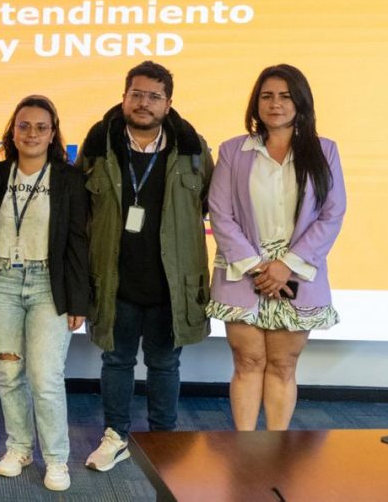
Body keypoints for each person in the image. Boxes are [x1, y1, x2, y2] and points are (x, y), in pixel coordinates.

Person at [78, 61, 213, 472]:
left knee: (165, 365)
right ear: (124, 98)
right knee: (116, 362)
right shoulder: (99, 145)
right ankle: (115, 436)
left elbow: (207, 204)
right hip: (115, 280)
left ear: (168, 104)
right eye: (136, 94)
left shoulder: (192, 149)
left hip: (170, 284)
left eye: (154, 96)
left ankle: (163, 440)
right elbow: (81, 209)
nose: (144, 103)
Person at [207, 64, 345, 430]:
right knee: (247, 362)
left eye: (285, 96)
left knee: (283, 366)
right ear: (256, 103)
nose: (275, 104)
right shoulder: (233, 150)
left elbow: (332, 214)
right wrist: (257, 267)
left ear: (300, 102)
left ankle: (276, 448)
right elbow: (220, 213)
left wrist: (286, 266)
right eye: (267, 96)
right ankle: (244, 446)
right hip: (243, 272)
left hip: (298, 274)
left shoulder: (325, 151)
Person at [0, 95, 88, 491]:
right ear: (13, 131)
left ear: (53, 134)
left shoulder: (69, 179)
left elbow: (78, 243)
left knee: (45, 376)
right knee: (9, 372)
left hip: (47, 287)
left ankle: (56, 459)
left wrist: (78, 299)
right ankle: (19, 448)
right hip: (1, 281)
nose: (32, 134)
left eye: (41, 127)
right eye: (24, 126)